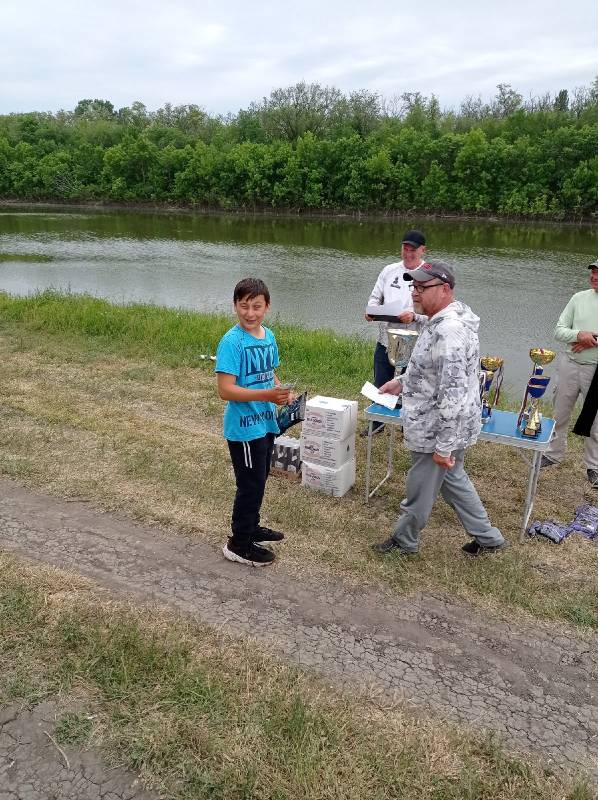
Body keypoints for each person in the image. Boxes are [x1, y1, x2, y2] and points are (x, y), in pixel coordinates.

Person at [371, 260, 506, 557]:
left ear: (445, 289)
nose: (415, 293)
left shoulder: (450, 332)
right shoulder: (440, 322)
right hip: (444, 424)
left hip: (438, 427)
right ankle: (488, 537)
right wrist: (403, 382)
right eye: (413, 286)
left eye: (422, 287)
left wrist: (443, 446)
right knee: (453, 480)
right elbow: (434, 371)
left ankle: (404, 541)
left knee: (420, 485)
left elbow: (453, 393)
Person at [215, 277, 290, 567]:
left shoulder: (268, 336)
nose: (250, 313)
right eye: (244, 306)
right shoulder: (231, 342)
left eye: (256, 307)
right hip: (244, 428)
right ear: (235, 305)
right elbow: (225, 390)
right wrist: (267, 395)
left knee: (259, 480)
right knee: (249, 485)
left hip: (265, 423)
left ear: (267, 307)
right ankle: (239, 543)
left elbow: (269, 373)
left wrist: (281, 393)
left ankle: (251, 525)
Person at [361, 229, 426, 436]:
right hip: (386, 339)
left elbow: (436, 316)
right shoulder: (388, 270)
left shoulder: (429, 276)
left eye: (413, 251)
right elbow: (374, 298)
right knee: (381, 380)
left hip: (415, 341)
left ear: (423, 250)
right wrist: (371, 311)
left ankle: (408, 425)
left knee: (411, 383)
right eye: (405, 249)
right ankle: (378, 423)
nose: (408, 254)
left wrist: (414, 316)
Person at [540, 259, 598, 486]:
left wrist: (590, 340)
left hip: (596, 371)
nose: (594, 277)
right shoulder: (578, 298)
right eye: (592, 272)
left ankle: (594, 466)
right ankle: (553, 454)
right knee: (559, 412)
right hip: (569, 363)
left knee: (596, 421)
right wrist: (578, 335)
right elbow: (559, 331)